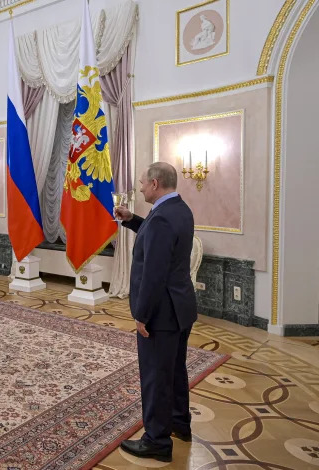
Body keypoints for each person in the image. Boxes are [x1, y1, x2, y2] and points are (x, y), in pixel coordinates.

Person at [115, 162, 197, 463]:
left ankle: (157, 441)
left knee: (155, 376)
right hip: (180, 307)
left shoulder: (163, 217)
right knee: (174, 370)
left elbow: (154, 273)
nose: (139, 187)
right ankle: (179, 423)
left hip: (162, 313)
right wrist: (131, 219)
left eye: (141, 183)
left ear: (154, 183)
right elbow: (157, 236)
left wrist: (142, 314)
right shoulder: (178, 209)